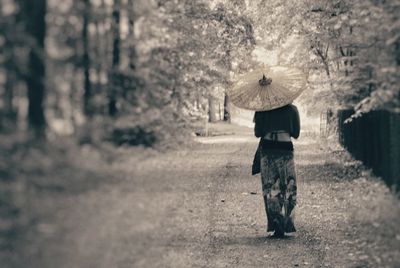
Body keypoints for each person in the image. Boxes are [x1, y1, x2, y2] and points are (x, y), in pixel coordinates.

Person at [253, 104, 300, 238]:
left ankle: (276, 224)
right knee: (289, 184)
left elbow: (257, 133)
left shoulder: (262, 109)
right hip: (285, 148)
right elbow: (296, 134)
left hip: (268, 148)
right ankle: (288, 223)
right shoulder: (292, 109)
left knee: (271, 186)